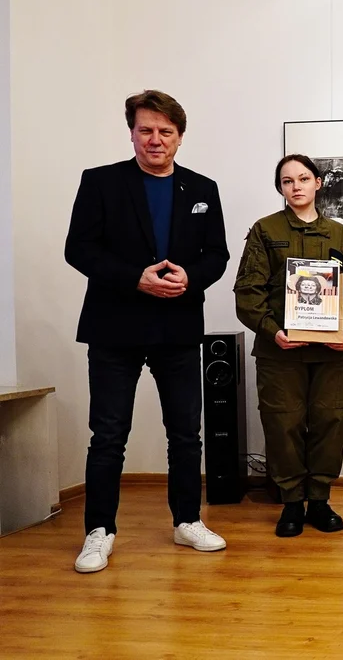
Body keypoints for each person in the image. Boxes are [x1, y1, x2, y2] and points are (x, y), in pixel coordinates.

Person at [64, 90, 230, 573]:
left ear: (180, 137)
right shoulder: (100, 182)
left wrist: (191, 277)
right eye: (146, 130)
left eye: (165, 131)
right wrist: (134, 277)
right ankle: (99, 531)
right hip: (114, 326)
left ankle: (187, 521)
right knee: (108, 434)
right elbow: (79, 249)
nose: (155, 139)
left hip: (178, 325)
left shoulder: (203, 188)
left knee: (186, 434)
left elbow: (217, 255)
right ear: (132, 133)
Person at [234, 154, 343, 537]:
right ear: (280, 188)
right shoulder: (265, 230)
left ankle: (320, 501)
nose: (296, 186)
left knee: (331, 422)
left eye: (303, 178)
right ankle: (292, 503)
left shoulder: (340, 235)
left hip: (331, 354)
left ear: (318, 183)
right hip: (280, 352)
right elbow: (248, 290)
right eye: (287, 181)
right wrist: (272, 331)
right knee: (283, 424)